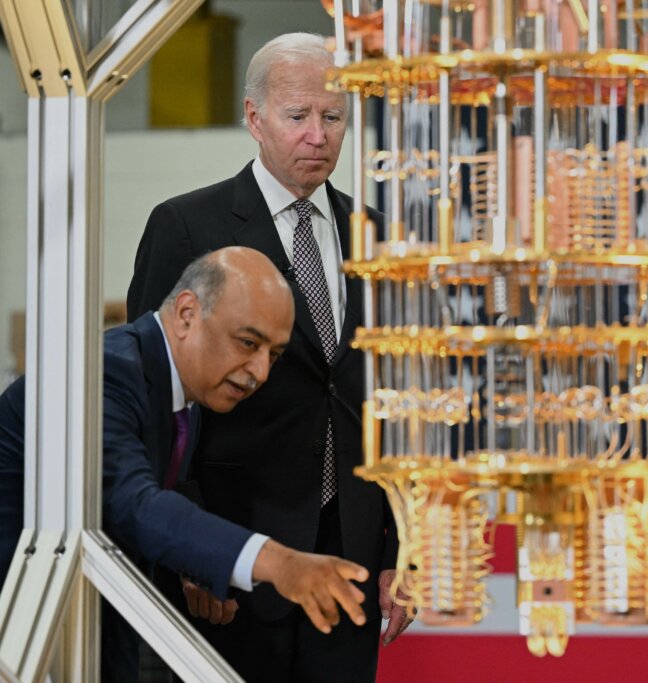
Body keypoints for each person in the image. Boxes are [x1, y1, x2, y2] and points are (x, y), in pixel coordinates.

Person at [126, 33, 409, 682]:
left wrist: (401, 544)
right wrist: (190, 550)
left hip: (351, 559)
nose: (318, 136)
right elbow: (155, 401)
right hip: (233, 554)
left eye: (333, 117)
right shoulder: (187, 228)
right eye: (298, 116)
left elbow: (395, 395)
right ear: (254, 119)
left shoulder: (377, 234)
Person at [0, 247, 371, 682]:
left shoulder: (182, 395)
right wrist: (279, 563)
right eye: (248, 343)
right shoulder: (104, 374)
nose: (260, 372)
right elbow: (135, 505)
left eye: (273, 354)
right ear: (187, 313)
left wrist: (198, 564)